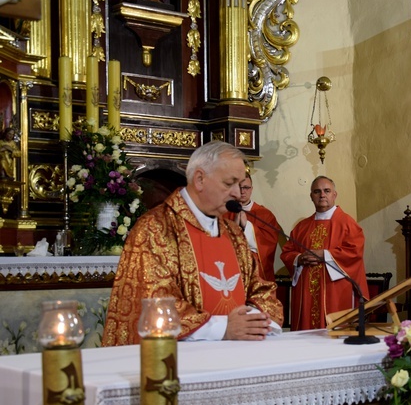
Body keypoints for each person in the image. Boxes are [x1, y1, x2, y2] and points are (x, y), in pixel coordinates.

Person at [102, 140, 283, 346]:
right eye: (229, 183)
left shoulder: (233, 233)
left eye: (240, 185)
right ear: (199, 179)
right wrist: (224, 328)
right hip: (179, 360)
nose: (237, 193)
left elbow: (261, 289)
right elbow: (153, 302)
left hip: (240, 353)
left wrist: (253, 320)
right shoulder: (155, 228)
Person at [280, 175, 368, 330]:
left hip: (335, 289)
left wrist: (325, 255)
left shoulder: (347, 223)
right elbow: (287, 252)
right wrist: (299, 258)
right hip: (307, 291)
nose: (322, 195)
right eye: (317, 191)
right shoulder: (301, 227)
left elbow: (354, 252)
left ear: (334, 194)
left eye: (327, 191)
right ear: (311, 196)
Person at [223, 171, 286, 283]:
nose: (242, 191)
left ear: (252, 189)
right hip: (231, 269)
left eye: (246, 187)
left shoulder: (265, 214)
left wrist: (247, 226)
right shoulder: (224, 213)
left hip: (256, 271)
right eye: (239, 187)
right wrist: (235, 226)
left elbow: (269, 243)